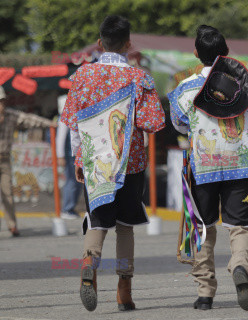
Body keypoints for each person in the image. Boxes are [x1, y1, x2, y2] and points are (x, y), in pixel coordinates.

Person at [61, 15, 166, 312]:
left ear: (99, 43)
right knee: (125, 226)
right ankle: (124, 291)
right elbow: (154, 121)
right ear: (128, 44)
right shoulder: (139, 77)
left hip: (95, 162)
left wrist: (77, 158)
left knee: (98, 220)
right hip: (130, 163)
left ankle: (89, 263)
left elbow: (74, 124)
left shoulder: (81, 76)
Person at [167, 25, 248, 311]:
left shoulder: (184, 90)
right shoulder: (246, 85)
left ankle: (205, 292)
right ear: (226, 53)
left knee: (202, 227)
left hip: (203, 166)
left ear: (196, 54)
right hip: (239, 164)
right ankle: (239, 265)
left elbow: (179, 124)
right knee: (240, 226)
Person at [0, 85, 55, 237]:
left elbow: (31, 120)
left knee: (8, 194)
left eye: (2, 101)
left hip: (4, 160)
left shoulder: (11, 115)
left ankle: (12, 225)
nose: (1, 105)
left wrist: (50, 124)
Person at [56, 95, 82, 219]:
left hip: (74, 155)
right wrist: (60, 156)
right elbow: (60, 139)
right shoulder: (63, 119)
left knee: (76, 183)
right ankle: (67, 209)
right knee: (72, 182)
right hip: (70, 155)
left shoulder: (69, 117)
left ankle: (70, 208)